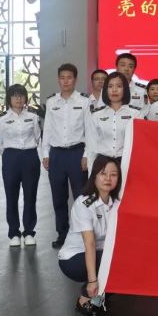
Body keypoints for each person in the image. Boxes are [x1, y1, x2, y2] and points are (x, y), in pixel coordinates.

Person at [58, 156, 121, 316]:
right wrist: (93, 281)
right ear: (94, 176)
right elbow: (90, 243)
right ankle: (85, 297)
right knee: (111, 261)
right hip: (74, 258)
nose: (108, 178)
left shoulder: (116, 203)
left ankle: (99, 297)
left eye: (113, 174)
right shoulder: (84, 203)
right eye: (103, 173)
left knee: (124, 258)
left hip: (99, 254)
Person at [41, 63, 91, 249]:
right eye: (62, 78)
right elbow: (47, 129)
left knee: (80, 198)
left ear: (75, 79)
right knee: (58, 198)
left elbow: (89, 130)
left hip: (77, 153)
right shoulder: (52, 102)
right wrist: (45, 154)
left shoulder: (84, 101)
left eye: (69, 77)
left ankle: (81, 234)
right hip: (56, 155)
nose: (65, 81)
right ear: (58, 79)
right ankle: (62, 234)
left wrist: (86, 155)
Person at [0, 84, 42, 247]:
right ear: (9, 99)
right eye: (14, 96)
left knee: (30, 196)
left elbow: (37, 137)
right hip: (11, 158)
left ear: (25, 98)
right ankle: (14, 233)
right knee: (11, 196)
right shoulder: (2, 120)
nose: (18, 99)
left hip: (30, 157)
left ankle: (29, 232)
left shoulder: (33, 117)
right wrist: (10, 155)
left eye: (21, 95)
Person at [86, 72, 144, 165]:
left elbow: (140, 145)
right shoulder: (96, 115)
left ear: (125, 89)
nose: (114, 90)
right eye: (110, 86)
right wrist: (91, 171)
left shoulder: (136, 114)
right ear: (105, 90)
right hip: (103, 163)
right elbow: (91, 147)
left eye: (119, 86)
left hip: (127, 162)